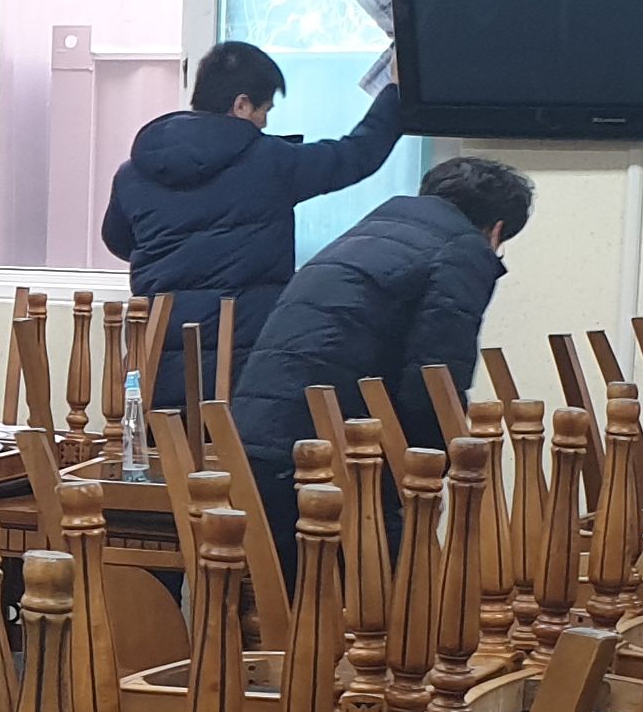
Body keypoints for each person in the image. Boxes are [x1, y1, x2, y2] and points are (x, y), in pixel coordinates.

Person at [225, 154, 529, 545]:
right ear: (496, 231)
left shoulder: (364, 233)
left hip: (254, 450)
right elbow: (435, 382)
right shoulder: (461, 250)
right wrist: (428, 475)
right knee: (411, 572)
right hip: (327, 467)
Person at [99, 40, 412, 412]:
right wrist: (394, 91)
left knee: (167, 448)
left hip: (155, 372)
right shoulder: (270, 163)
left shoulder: (133, 173)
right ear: (242, 104)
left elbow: (117, 240)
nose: (265, 123)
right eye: (265, 110)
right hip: (244, 373)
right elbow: (355, 155)